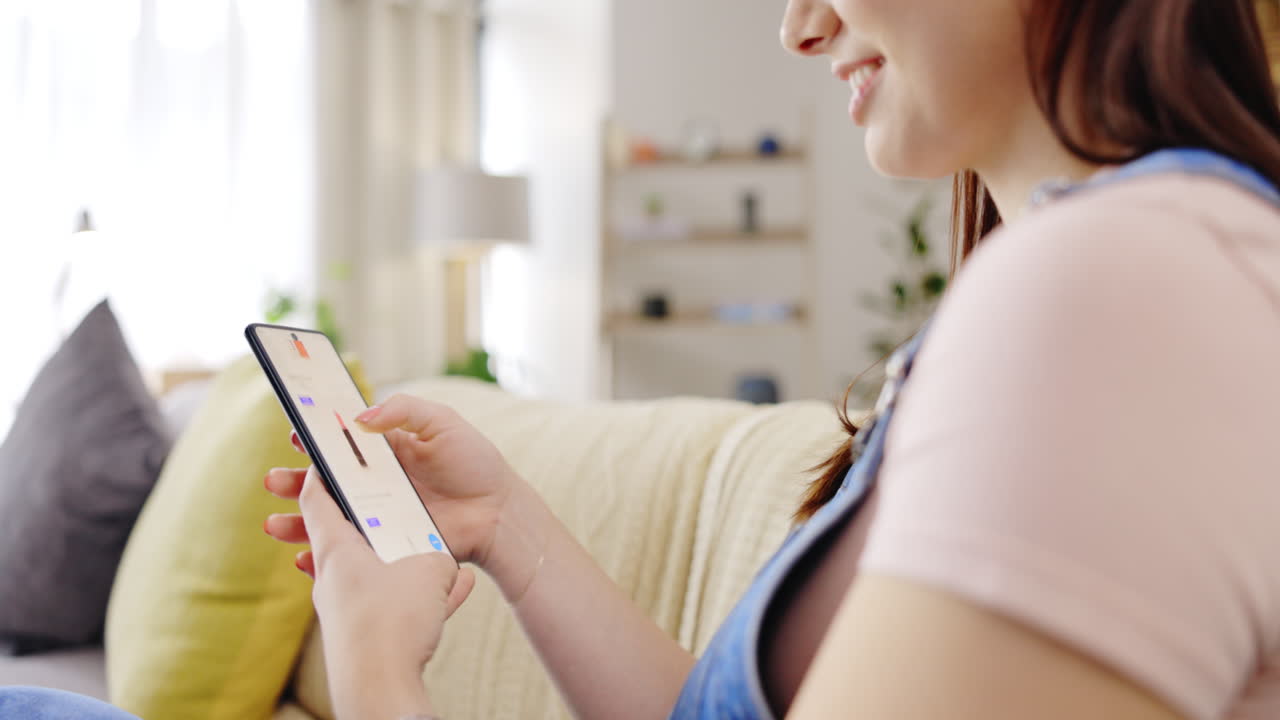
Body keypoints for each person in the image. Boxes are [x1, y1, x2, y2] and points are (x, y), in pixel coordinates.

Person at [5, 0, 1279, 718]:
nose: (798, 23)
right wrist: (504, 523)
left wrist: (378, 661)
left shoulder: (1123, 294)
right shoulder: (1086, 288)